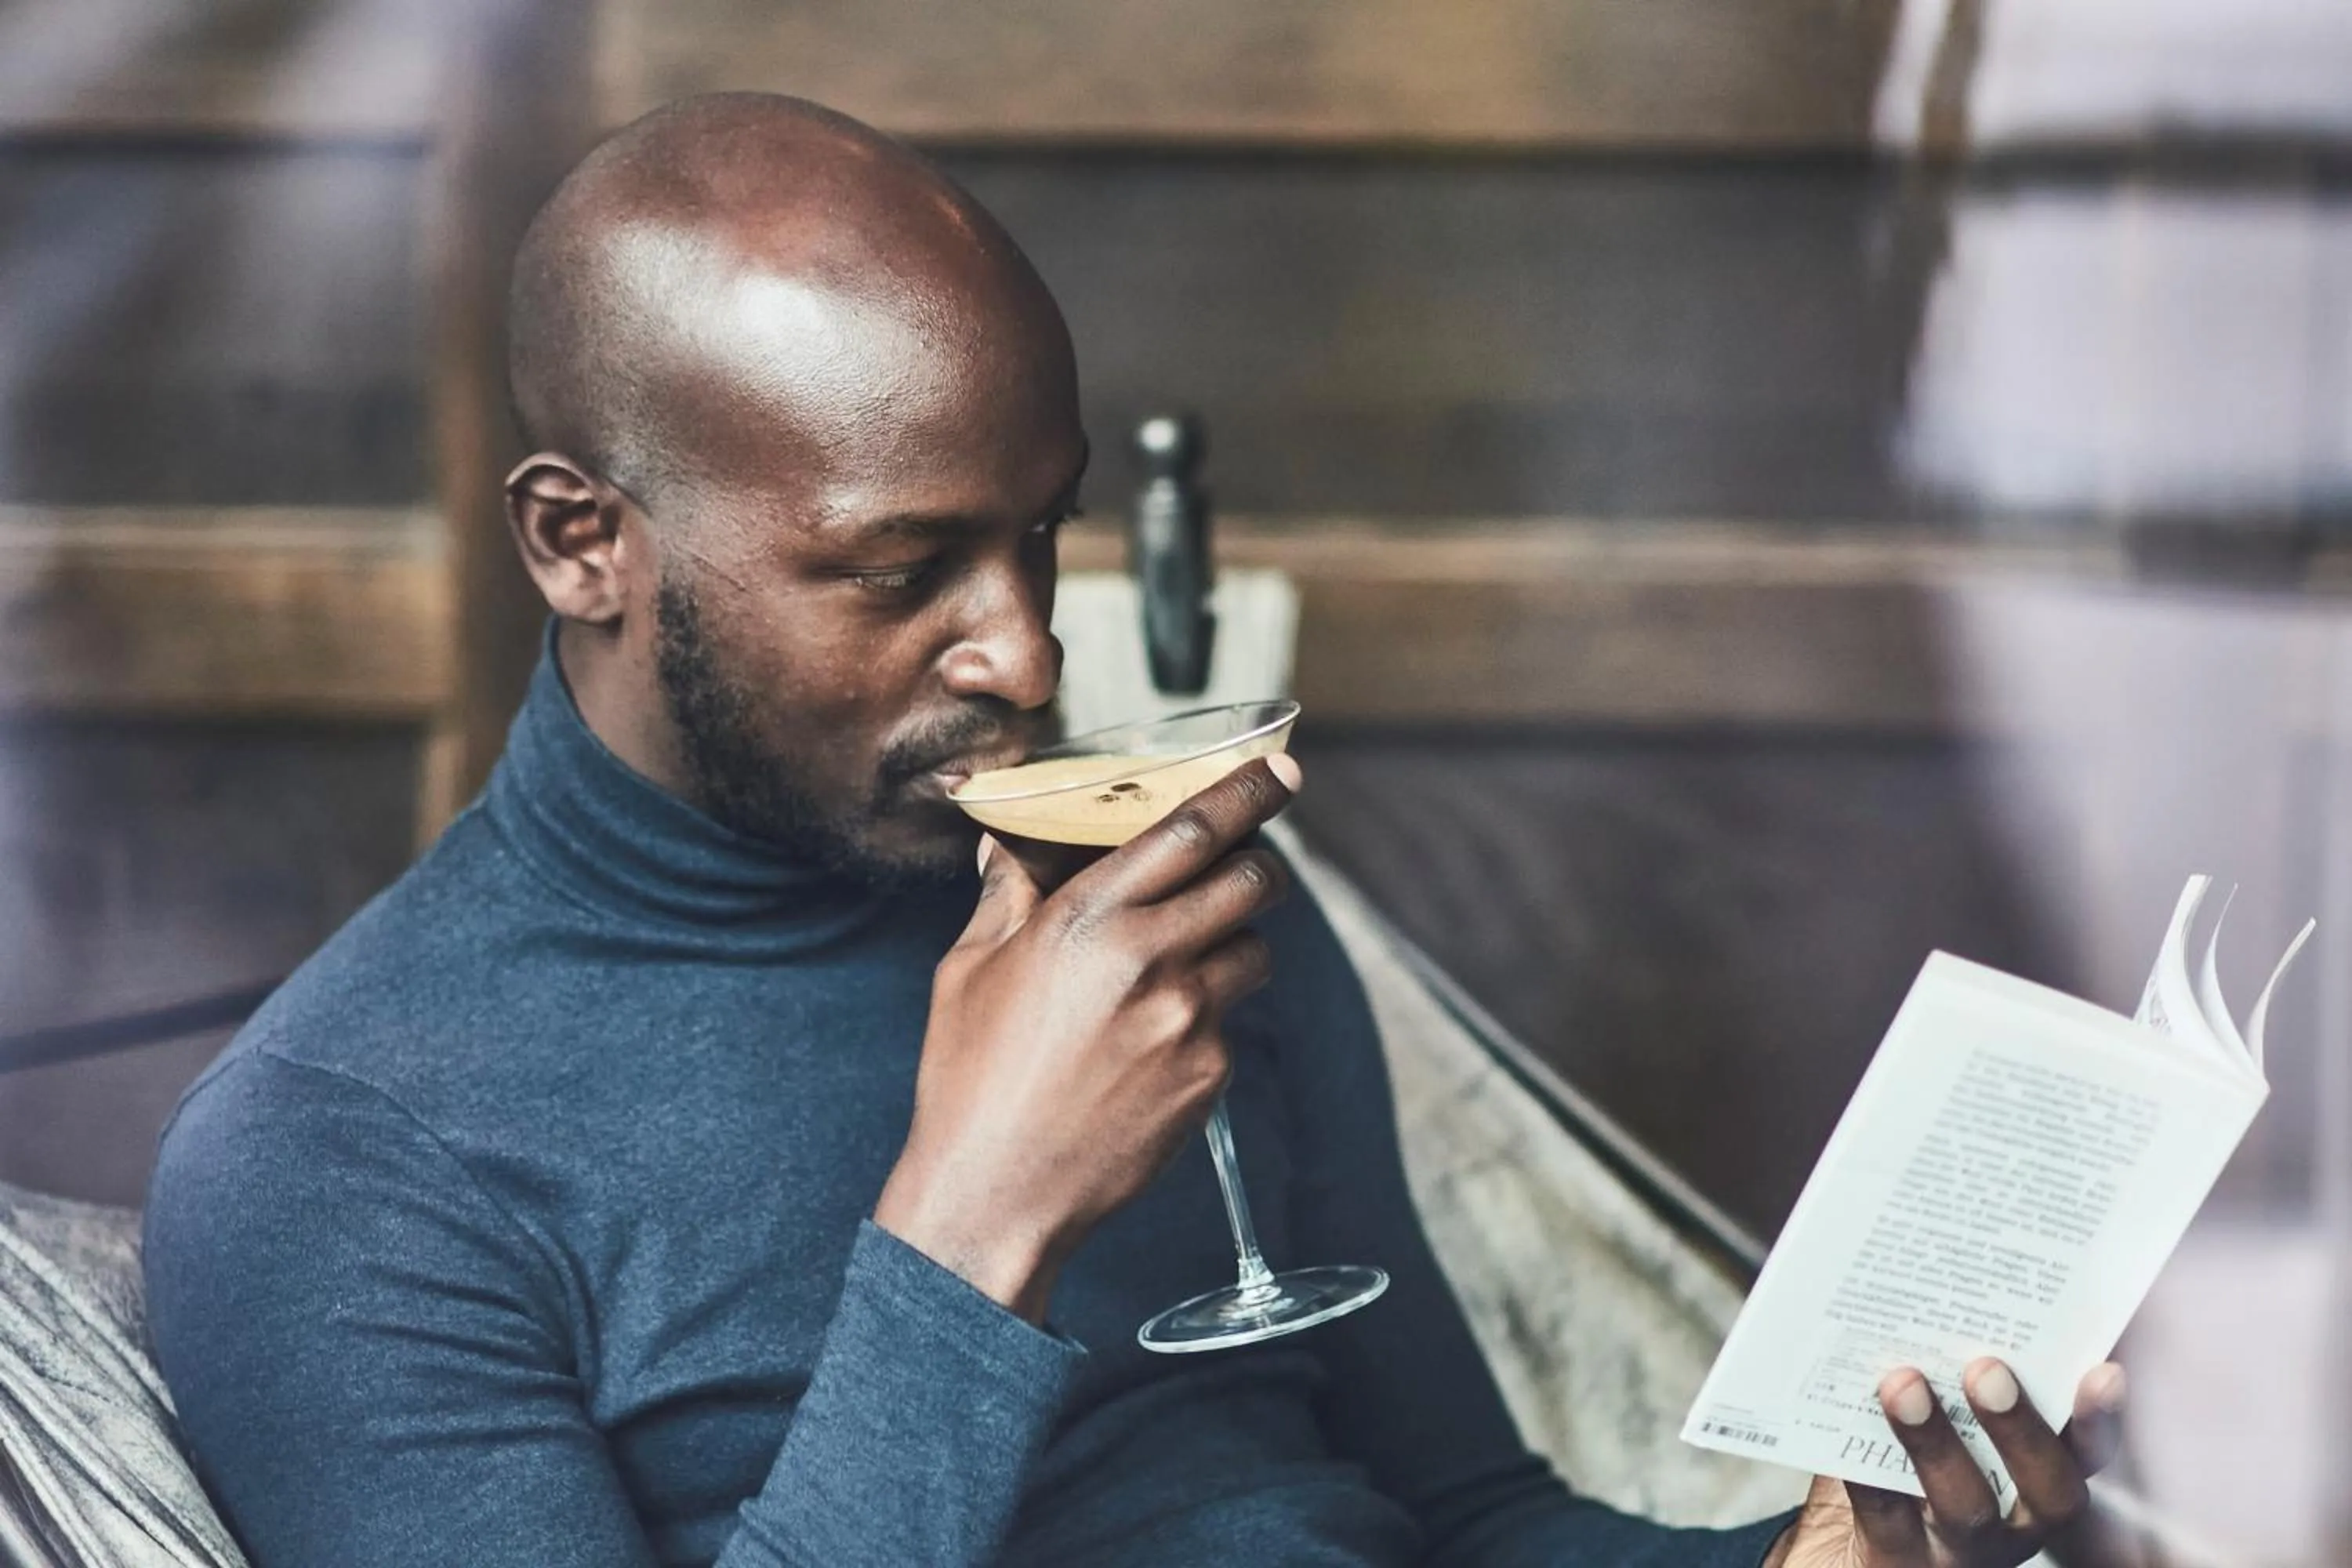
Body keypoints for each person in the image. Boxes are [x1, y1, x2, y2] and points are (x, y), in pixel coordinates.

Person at [143, 93, 2128, 1568]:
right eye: (903, 567)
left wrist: (1824, 1556)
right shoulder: (341, 1161)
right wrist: (975, 1222)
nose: (1020, 646)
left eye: (1039, 532)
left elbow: (1468, 1515)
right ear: (585, 542)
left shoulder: (1154, 909)